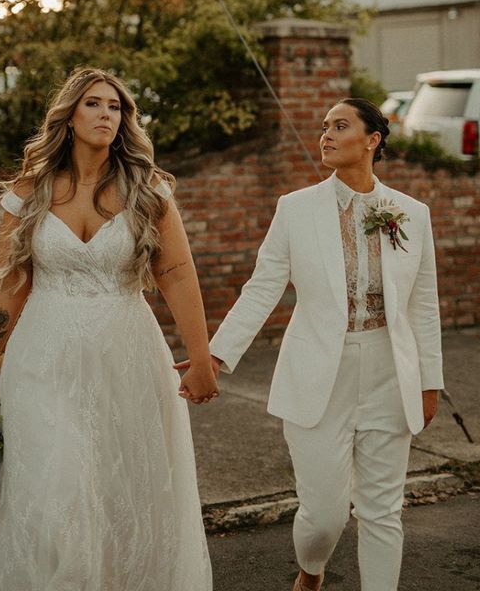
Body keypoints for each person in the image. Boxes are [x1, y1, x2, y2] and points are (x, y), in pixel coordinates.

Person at [0, 66, 217, 591]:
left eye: (116, 107)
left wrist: (201, 358)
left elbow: (176, 275)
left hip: (127, 357)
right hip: (43, 358)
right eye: (94, 105)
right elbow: (7, 286)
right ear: (70, 117)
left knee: (121, 489)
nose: (107, 115)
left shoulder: (148, 191)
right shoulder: (29, 193)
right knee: (51, 489)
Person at [181, 97, 443, 591]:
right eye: (323, 126)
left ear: (372, 140)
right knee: (324, 516)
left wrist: (430, 381)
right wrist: (211, 357)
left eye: (339, 126)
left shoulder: (412, 213)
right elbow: (262, 288)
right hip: (318, 375)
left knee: (383, 512)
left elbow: (422, 304)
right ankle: (311, 572)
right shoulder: (295, 209)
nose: (325, 134)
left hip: (391, 371)